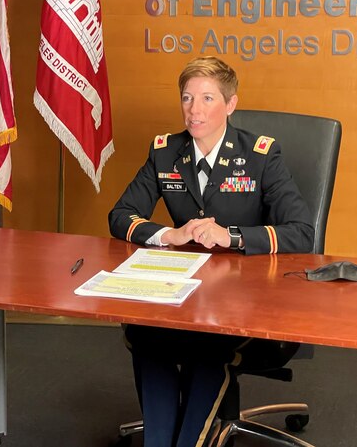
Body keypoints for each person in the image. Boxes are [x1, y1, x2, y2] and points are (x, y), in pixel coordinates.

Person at [108, 56, 314, 447]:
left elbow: (302, 233)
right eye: (187, 98)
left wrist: (232, 237)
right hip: (178, 292)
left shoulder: (260, 154)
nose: (194, 110)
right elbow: (120, 216)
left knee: (206, 347)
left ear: (230, 104)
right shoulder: (165, 152)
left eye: (207, 98)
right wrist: (167, 235)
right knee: (146, 335)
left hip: (245, 299)